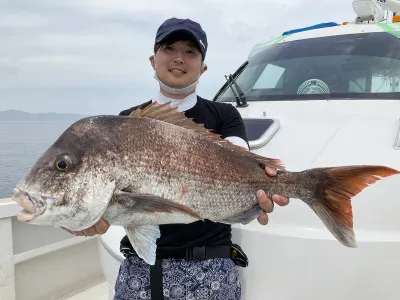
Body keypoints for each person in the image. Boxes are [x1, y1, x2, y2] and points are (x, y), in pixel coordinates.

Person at [67, 17, 289, 300]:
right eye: (169, 48)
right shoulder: (127, 122)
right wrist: (87, 216)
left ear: (203, 67)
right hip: (140, 272)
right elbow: (116, 201)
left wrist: (264, 190)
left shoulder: (224, 116)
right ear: (153, 60)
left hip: (210, 271)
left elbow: (242, 164)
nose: (179, 59)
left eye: (190, 52)